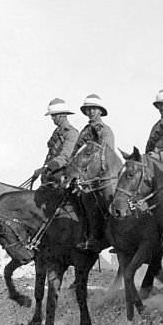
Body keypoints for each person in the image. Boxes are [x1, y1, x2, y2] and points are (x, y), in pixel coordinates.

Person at [73, 93, 115, 251]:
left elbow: (105, 155)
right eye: (88, 109)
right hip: (83, 175)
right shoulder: (84, 131)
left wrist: (85, 176)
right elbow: (76, 153)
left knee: (106, 202)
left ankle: (108, 236)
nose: (91, 112)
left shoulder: (105, 130)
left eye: (94, 109)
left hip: (102, 175)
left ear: (100, 111)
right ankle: (85, 234)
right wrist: (72, 172)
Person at [33, 98, 78, 187]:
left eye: (54, 115)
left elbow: (64, 157)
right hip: (50, 176)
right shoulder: (57, 131)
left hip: (61, 179)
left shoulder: (71, 133)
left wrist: (45, 168)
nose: (52, 118)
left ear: (62, 115)